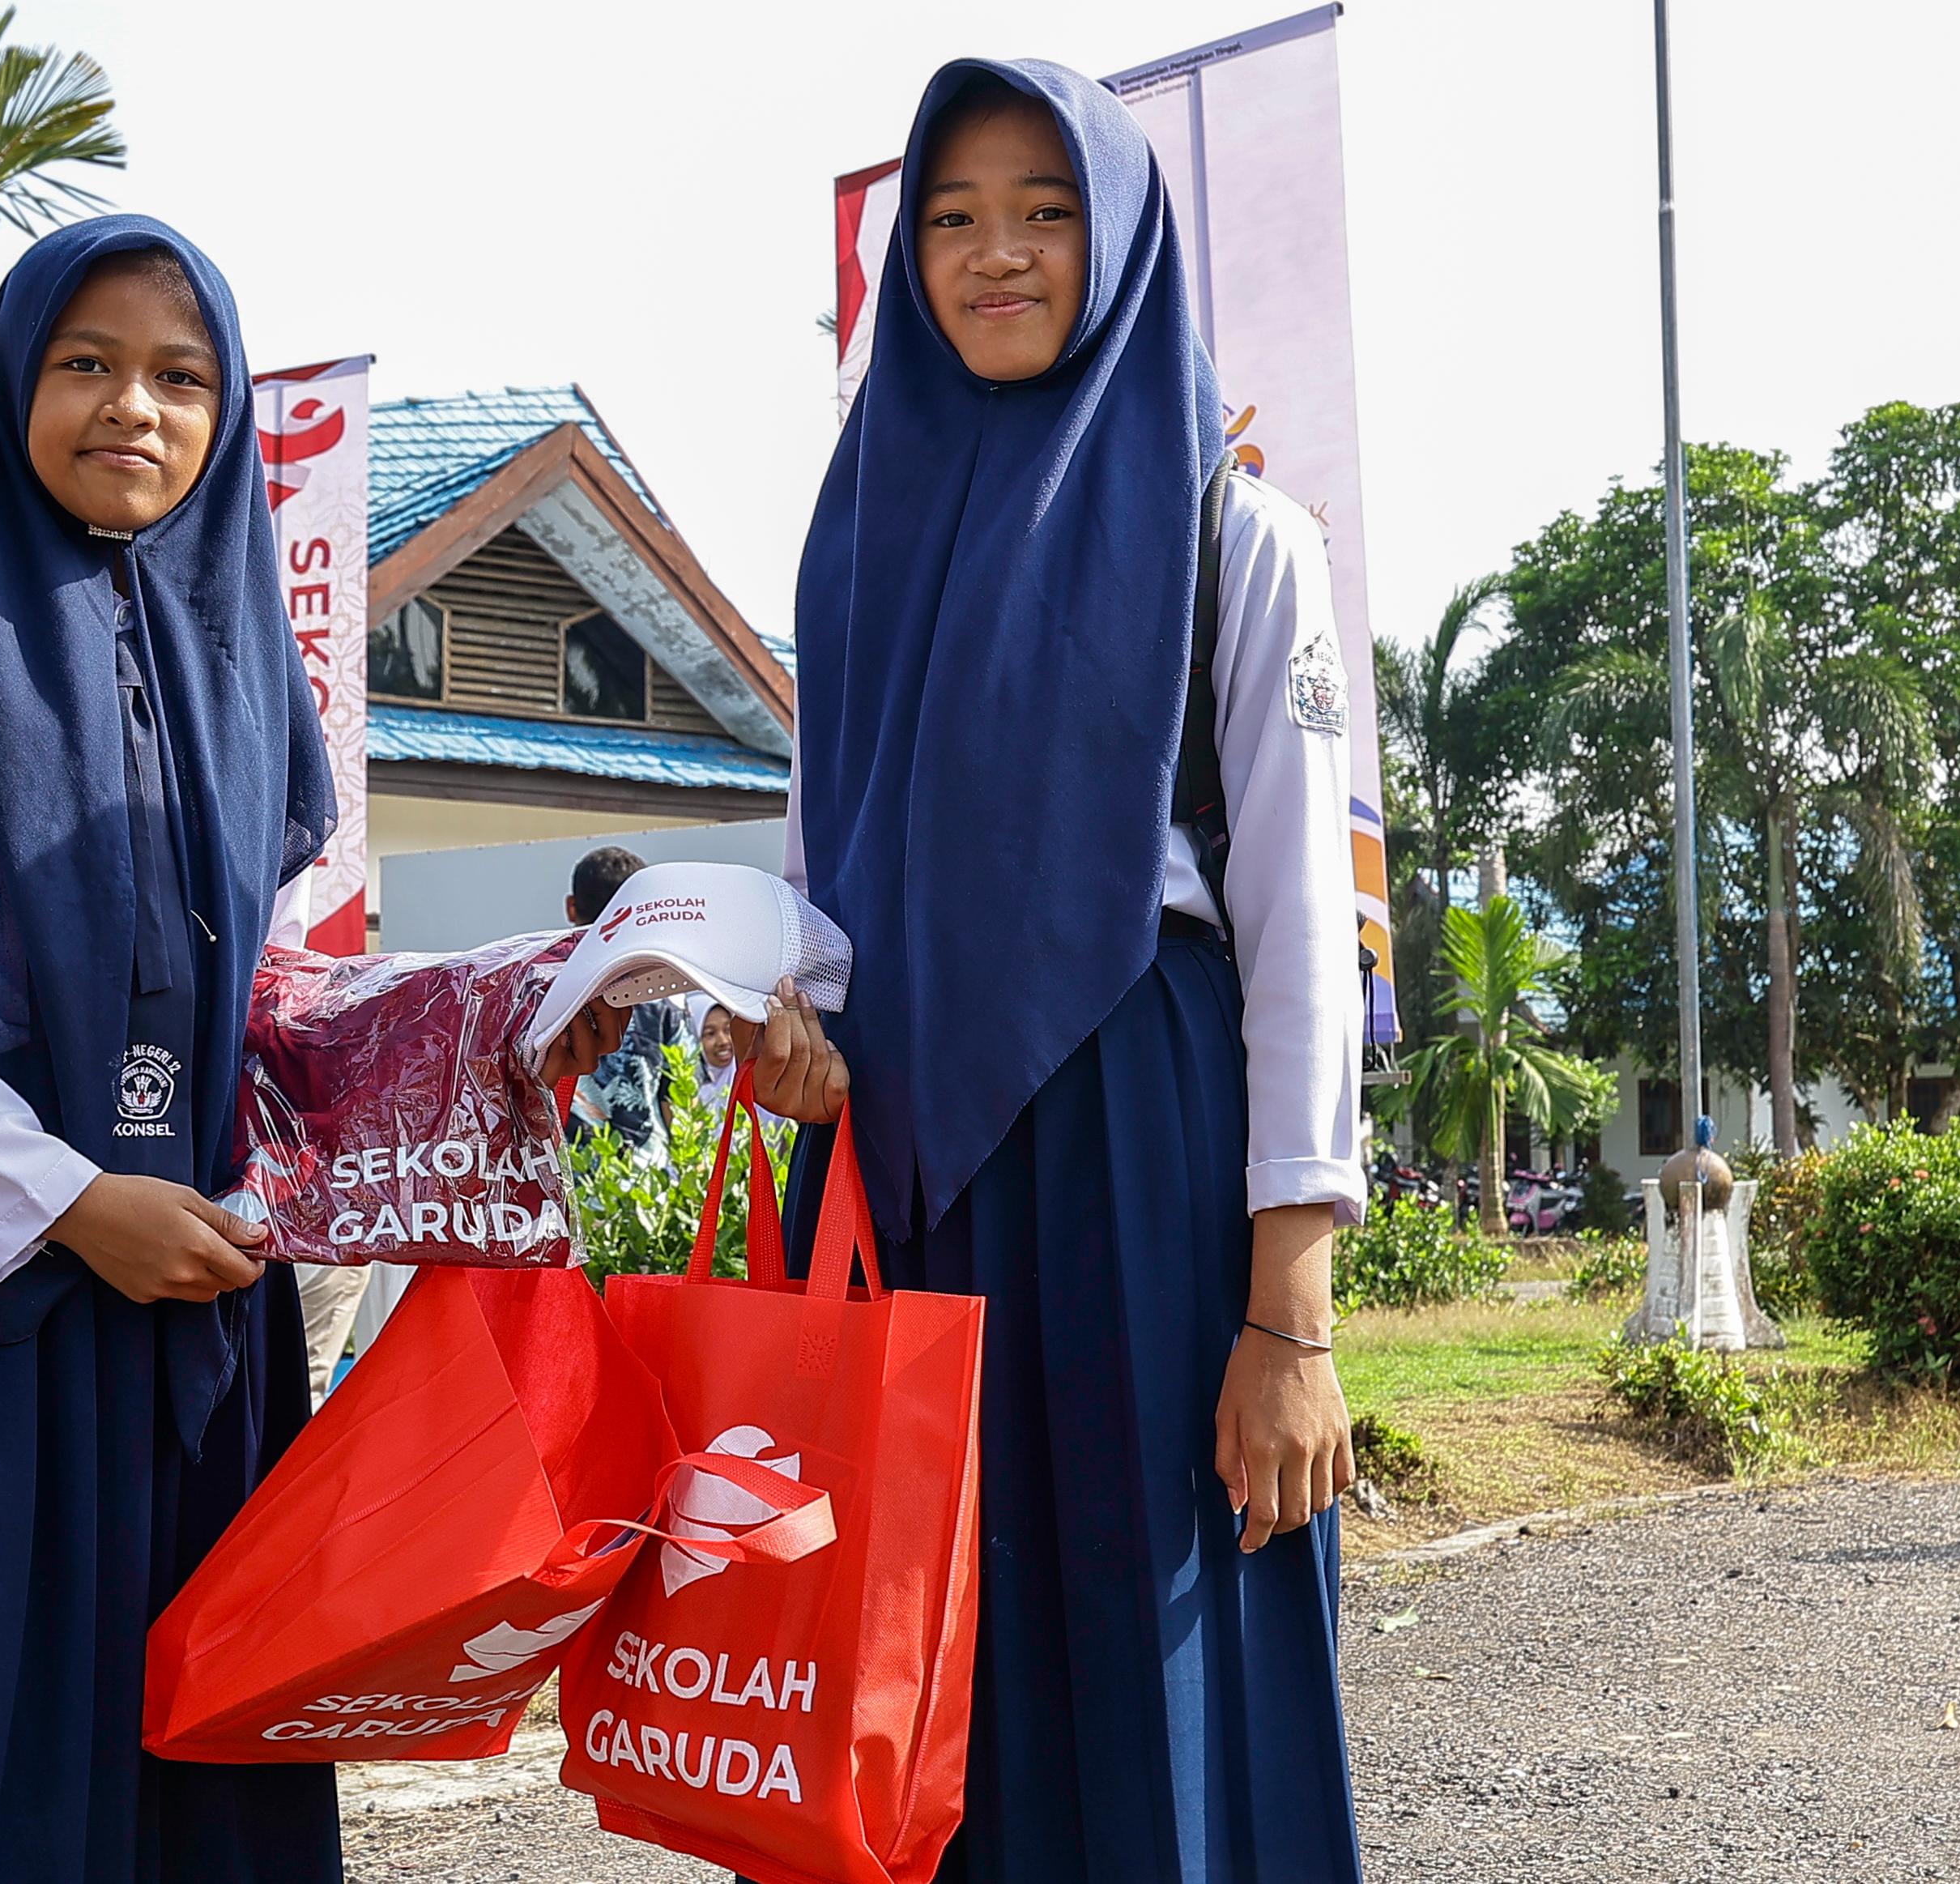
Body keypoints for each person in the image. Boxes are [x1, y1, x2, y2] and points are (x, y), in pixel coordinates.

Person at [0, 216, 618, 1882]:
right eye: (84, 363)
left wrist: (523, 1001)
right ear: (14, 384)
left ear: (225, 417)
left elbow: (276, 996)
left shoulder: (258, 688)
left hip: (199, 1328)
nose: (130, 408)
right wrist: (74, 1196)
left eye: (178, 375)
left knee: (195, 1758)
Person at [776, 62, 1366, 1882]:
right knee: (926, 1669)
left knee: (1161, 1654)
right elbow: (824, 871)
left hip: (1146, 1158)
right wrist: (784, 1014)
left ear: (1117, 244)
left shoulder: (1232, 532)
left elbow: (1302, 949)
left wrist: (1290, 1320)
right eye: (947, 220)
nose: (994, 254)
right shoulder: (854, 535)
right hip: (909, 1171)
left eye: (1043, 211)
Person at [564, 845, 696, 1157]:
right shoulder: (668, 996)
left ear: (572, 907)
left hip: (565, 1182)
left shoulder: (542, 990)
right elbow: (681, 1100)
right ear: (641, 910)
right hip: (650, 1190)